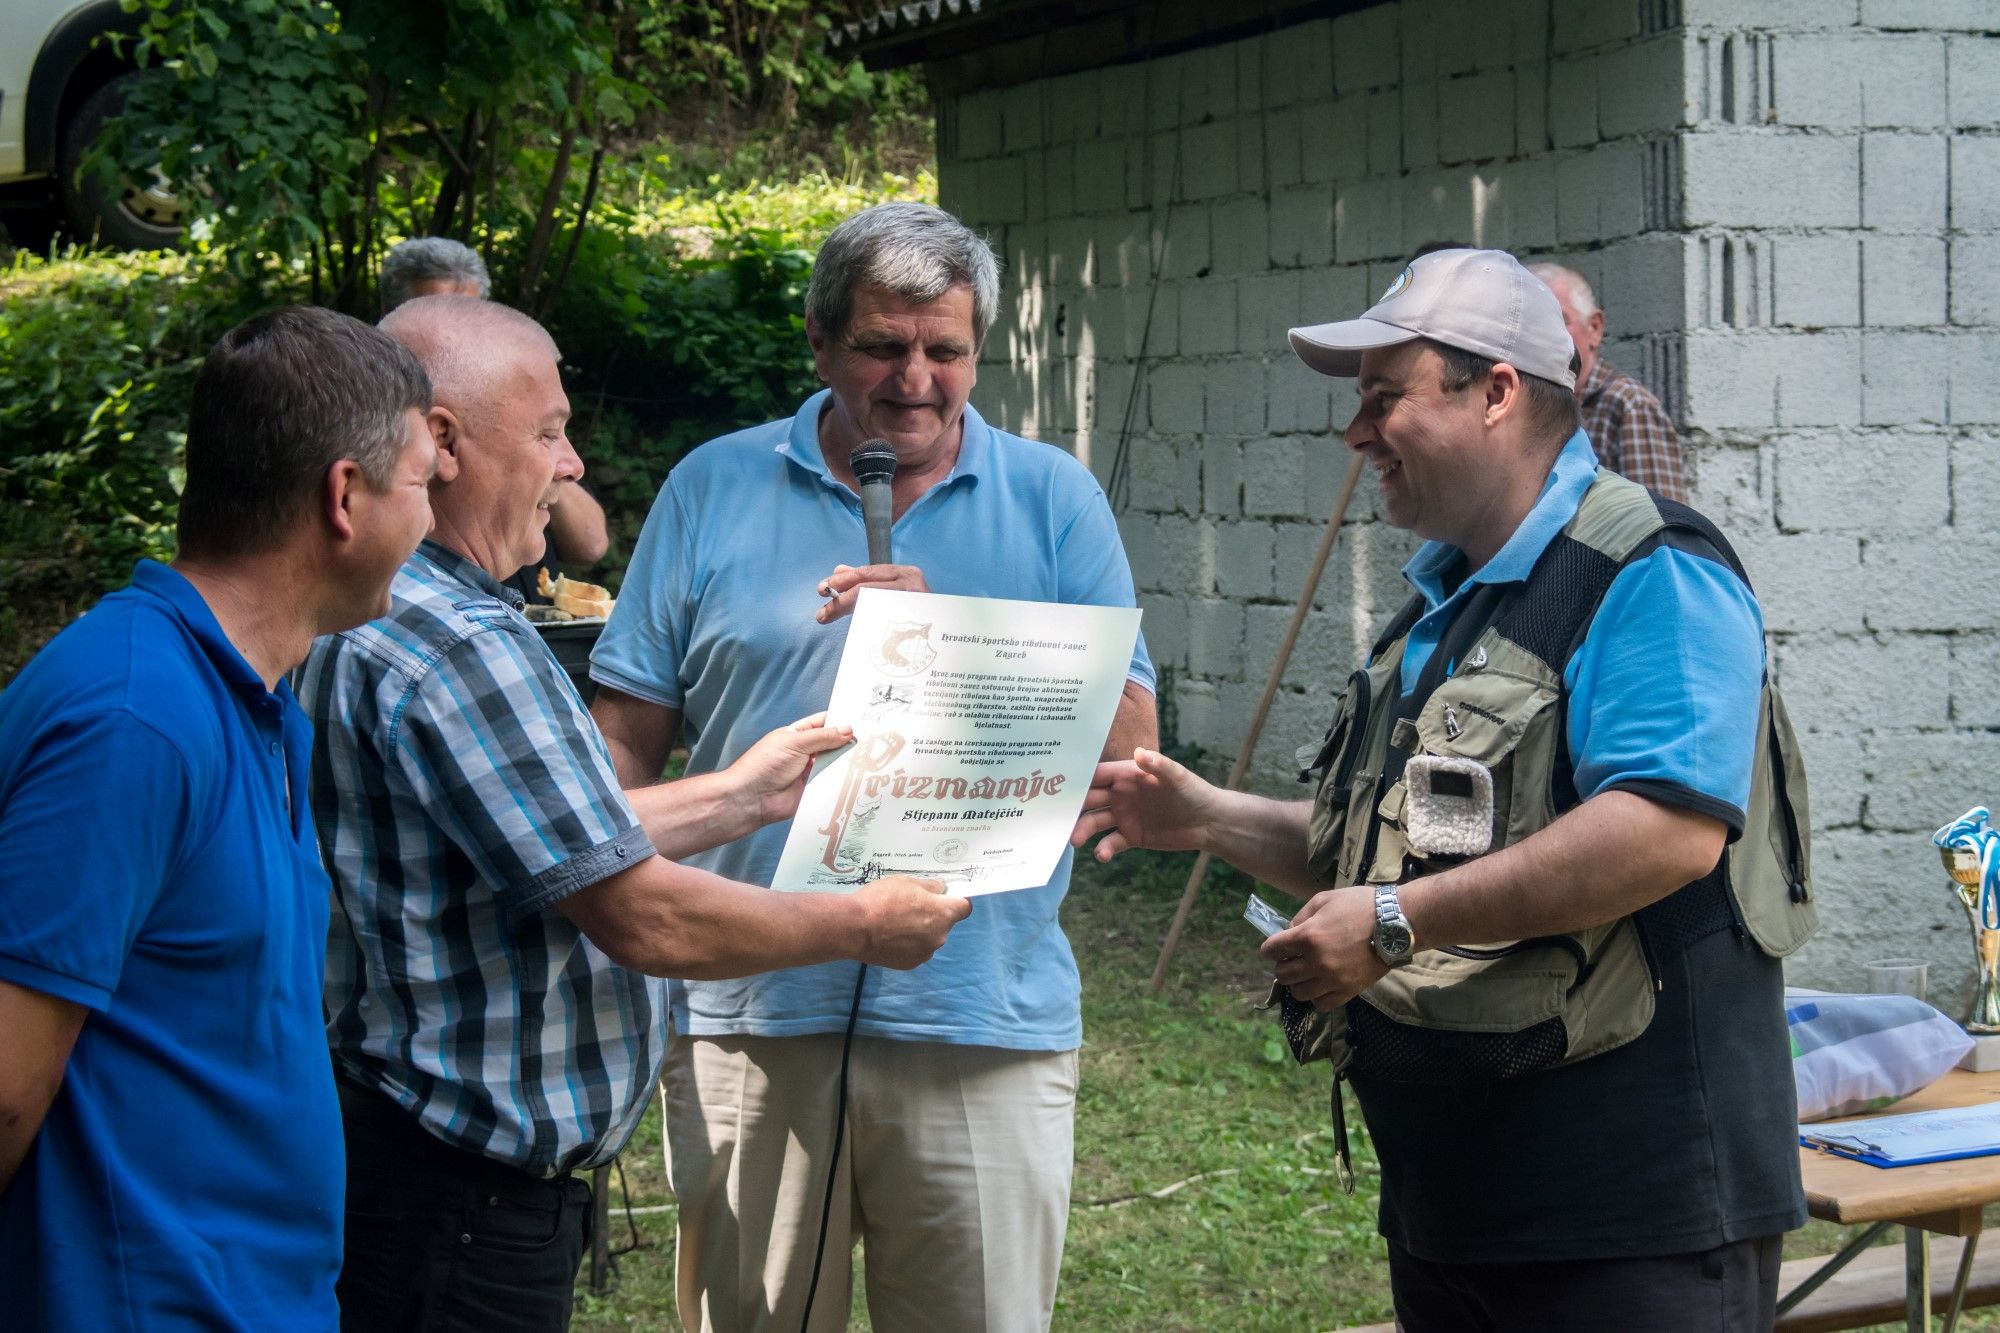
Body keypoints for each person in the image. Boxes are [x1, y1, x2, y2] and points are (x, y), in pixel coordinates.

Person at [1075, 248, 1805, 1330]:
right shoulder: (1443, 606)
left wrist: (1390, 921)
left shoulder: (1649, 570)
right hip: (1458, 1205)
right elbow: (1407, 851)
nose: (1355, 432)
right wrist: (1205, 817)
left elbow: (1663, 831)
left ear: (1497, 392)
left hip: (1628, 1216)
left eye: (1384, 397)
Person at [296, 295, 968, 1333]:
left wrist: (745, 788)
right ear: (441, 443)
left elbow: (552, 838)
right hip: (462, 1201)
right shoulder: (464, 642)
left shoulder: (389, 609)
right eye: (550, 433)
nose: (571, 468)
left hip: (419, 1172)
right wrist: (865, 925)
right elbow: (641, 915)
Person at [589, 202, 1158, 1333]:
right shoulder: (709, 485)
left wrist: (947, 640)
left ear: (977, 352)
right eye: (880, 346)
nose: (914, 378)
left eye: (944, 350)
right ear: (816, 340)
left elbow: (1129, 751)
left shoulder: (1053, 497)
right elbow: (618, 753)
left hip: (977, 1013)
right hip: (750, 1007)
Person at [0, 307, 438, 1329]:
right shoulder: (133, 716)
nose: (429, 519)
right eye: (420, 481)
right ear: (344, 496)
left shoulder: (249, 696)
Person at [382, 234, 611, 575]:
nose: (461, 330)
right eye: (441, 314)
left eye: (472, 313)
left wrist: (540, 443)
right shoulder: (371, 431)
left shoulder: (515, 396)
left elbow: (590, 543)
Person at [1530, 260, 1688, 502]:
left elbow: (1660, 525)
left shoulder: (1628, 405)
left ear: (1594, 328)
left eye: (1559, 320)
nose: (1544, 334)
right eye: (1532, 324)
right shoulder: (1533, 406)